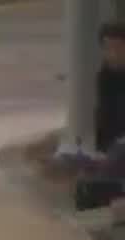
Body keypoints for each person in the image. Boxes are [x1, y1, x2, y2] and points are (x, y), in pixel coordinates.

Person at [72, 20, 125, 211]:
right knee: (83, 175)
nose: (112, 54)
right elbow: (104, 116)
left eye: (118, 48)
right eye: (107, 48)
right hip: (114, 147)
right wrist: (99, 152)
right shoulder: (105, 76)